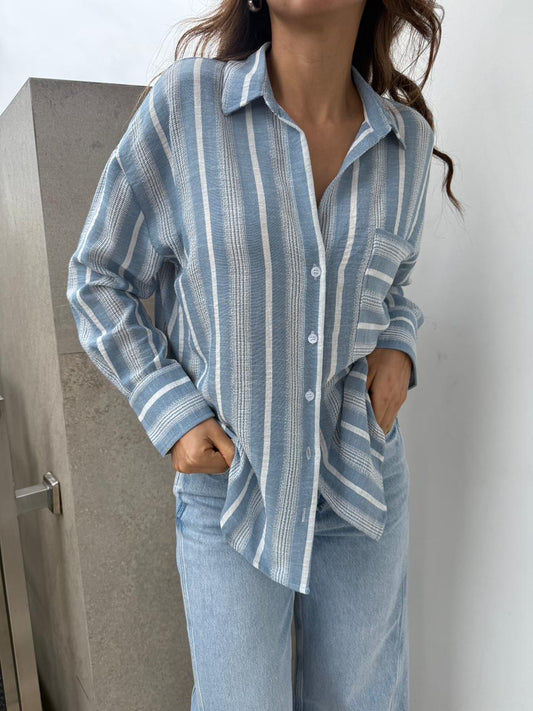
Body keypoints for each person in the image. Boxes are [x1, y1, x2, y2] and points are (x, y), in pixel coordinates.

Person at [66, 0, 461, 708]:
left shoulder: (404, 144)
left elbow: (391, 284)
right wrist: (174, 412)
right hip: (234, 485)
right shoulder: (187, 108)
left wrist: (397, 347)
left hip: (358, 476)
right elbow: (98, 276)